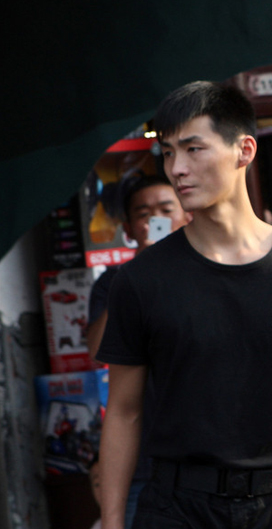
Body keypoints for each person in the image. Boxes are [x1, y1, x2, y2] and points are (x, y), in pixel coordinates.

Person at [96, 81, 272, 529]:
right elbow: (125, 410)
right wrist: (111, 521)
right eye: (167, 153)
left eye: (193, 149)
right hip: (178, 508)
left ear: (244, 150)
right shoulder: (141, 279)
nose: (177, 168)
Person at [85, 174, 190, 529]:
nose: (154, 221)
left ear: (186, 214)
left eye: (165, 209)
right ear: (130, 228)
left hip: (206, 462)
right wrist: (137, 273)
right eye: (143, 213)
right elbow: (99, 349)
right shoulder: (115, 281)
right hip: (143, 462)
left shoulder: (209, 272)